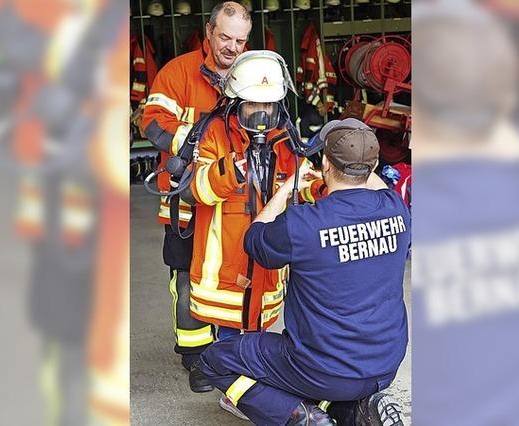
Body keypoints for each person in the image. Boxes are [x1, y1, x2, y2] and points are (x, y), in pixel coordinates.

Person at [200, 118, 410, 425]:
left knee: (216, 360)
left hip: (320, 367)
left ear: (325, 163)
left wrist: (285, 191)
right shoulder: (396, 209)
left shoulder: (304, 222)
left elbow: (254, 238)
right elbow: (375, 183)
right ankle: (360, 411)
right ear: (374, 165)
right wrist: (365, 162)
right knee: (332, 381)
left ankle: (300, 417)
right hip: (385, 363)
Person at [183, 50, 325, 414]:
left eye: (269, 109)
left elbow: (299, 185)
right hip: (225, 261)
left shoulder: (286, 139)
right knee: (228, 333)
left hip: (265, 260)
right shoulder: (213, 132)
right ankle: (235, 390)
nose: (261, 118)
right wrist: (230, 169)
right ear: (235, 104)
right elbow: (197, 189)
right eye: (251, 109)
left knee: (260, 333)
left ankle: (253, 390)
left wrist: (321, 188)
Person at [141, 1, 252, 393]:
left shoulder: (254, 75)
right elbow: (151, 120)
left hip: (237, 204)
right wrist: (200, 142)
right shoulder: (179, 72)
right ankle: (195, 354)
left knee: (236, 275)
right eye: (225, 37)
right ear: (208, 32)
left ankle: (232, 348)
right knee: (187, 279)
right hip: (186, 203)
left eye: (240, 40)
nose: (232, 47)